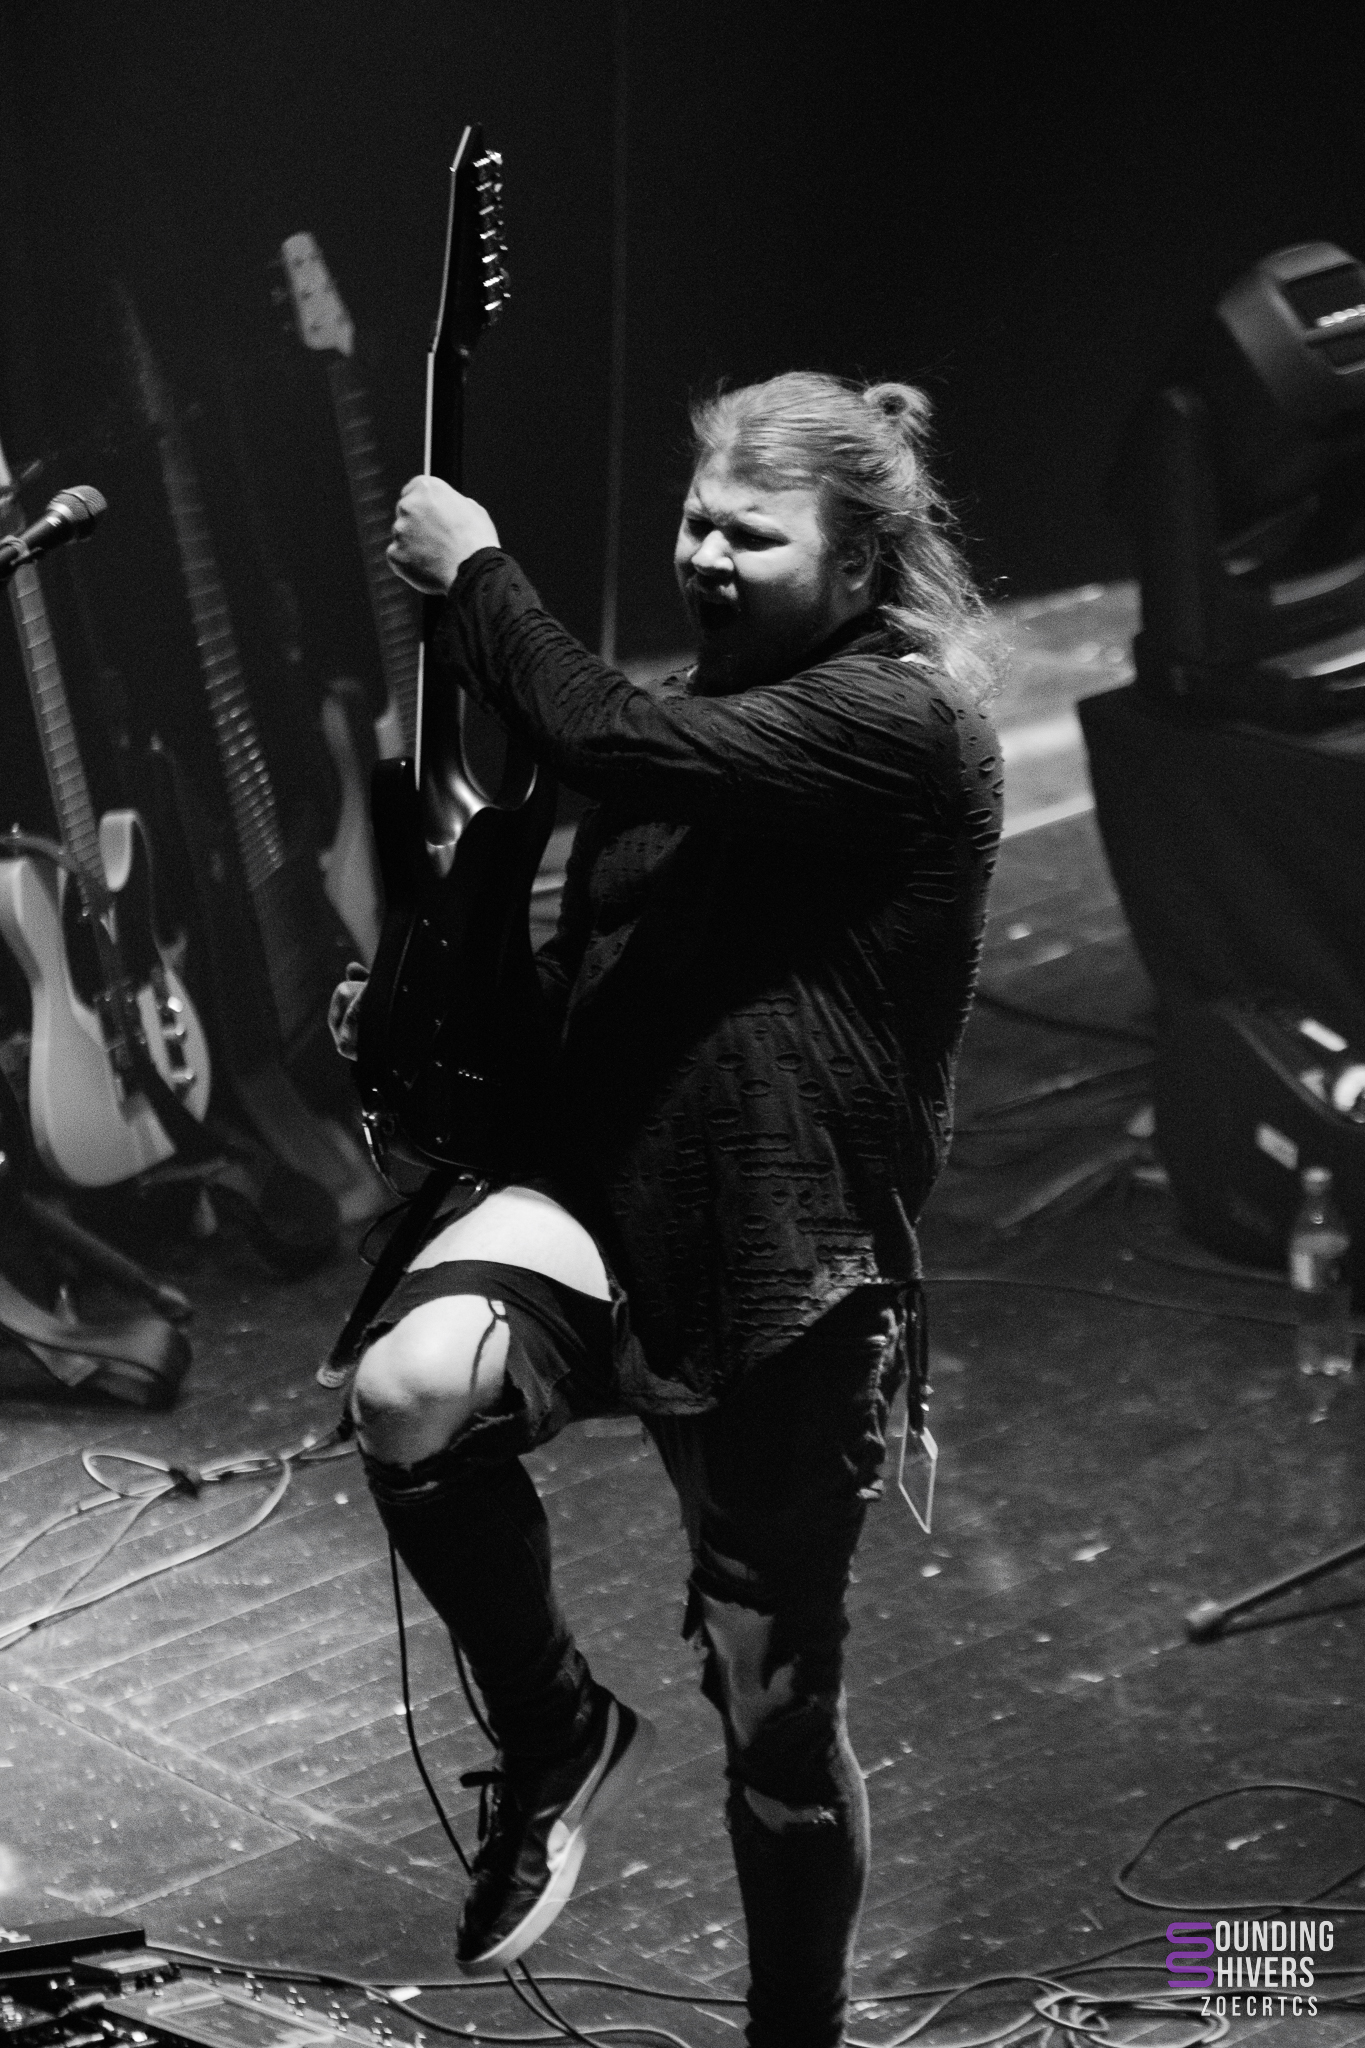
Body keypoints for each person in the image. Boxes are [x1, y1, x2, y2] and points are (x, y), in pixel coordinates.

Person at [328, 371, 1003, 2048]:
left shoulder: (898, 722)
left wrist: (479, 577)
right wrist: (430, 990)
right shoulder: (688, 714)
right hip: (604, 1195)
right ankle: (555, 1733)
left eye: (750, 536)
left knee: (775, 1722)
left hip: (781, 1269)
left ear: (858, 563)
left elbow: (612, 736)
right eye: (696, 520)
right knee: (408, 1393)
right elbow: (591, 959)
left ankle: (795, 2033)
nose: (704, 555)